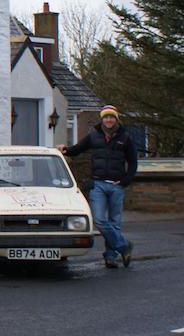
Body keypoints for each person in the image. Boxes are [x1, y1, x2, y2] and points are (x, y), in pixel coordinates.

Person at [59, 105, 138, 269]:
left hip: (116, 186)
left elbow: (132, 163)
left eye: (112, 117)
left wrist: (125, 181)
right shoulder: (94, 135)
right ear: (102, 119)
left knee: (114, 223)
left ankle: (110, 257)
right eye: (106, 117)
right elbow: (77, 149)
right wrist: (65, 150)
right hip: (98, 185)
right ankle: (124, 246)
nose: (108, 120)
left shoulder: (126, 137)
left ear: (116, 119)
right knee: (100, 220)